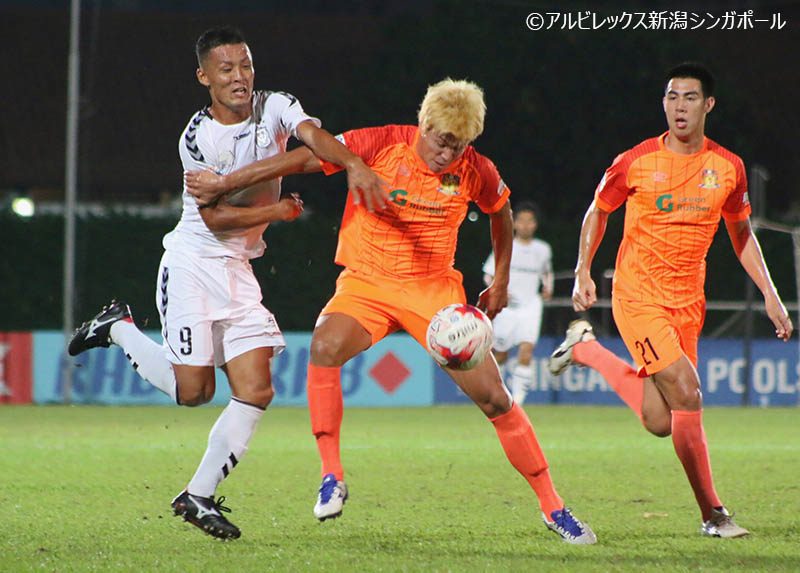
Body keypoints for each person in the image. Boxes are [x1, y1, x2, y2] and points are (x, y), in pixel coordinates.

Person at [186, 78, 597, 544]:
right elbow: (304, 158)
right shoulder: (382, 142)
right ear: (424, 125)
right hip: (369, 282)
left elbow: (499, 210)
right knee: (324, 347)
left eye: (459, 145)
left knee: (495, 399)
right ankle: (331, 475)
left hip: (434, 294)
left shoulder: (475, 169)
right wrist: (227, 182)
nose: (448, 153)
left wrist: (500, 280)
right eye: (442, 141)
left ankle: (553, 506)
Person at [67, 26, 386, 540]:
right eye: (227, 69)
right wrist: (276, 211)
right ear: (204, 77)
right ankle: (118, 328)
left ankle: (197, 495)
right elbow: (214, 219)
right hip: (193, 264)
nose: (240, 77)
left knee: (257, 389)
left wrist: (351, 163)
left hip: (239, 269)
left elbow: (314, 139)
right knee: (193, 392)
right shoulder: (196, 139)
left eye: (246, 65)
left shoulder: (275, 105)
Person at [548, 62, 793, 538]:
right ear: (664, 103)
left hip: (687, 302)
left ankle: (586, 350)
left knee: (661, 420)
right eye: (672, 97)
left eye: (690, 97)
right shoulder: (635, 160)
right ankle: (713, 514)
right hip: (638, 294)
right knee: (688, 391)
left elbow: (742, 233)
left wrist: (771, 294)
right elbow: (598, 211)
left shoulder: (728, 167)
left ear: (708, 105)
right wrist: (582, 269)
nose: (679, 106)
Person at [482, 201, 553, 404]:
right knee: (501, 354)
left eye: (529, 221)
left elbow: (546, 272)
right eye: (521, 221)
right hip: (507, 308)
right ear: (514, 223)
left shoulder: (543, 249)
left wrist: (548, 288)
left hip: (531, 306)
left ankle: (518, 402)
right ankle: (495, 393)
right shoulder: (505, 244)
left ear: (535, 224)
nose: (525, 225)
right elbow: (488, 274)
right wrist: (498, 289)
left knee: (526, 350)